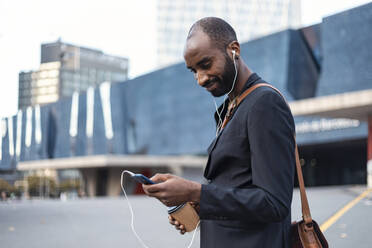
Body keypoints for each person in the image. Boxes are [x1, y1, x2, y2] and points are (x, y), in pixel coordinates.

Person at [143, 17, 296, 248]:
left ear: (233, 50)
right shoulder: (231, 107)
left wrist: (196, 192)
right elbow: (236, 186)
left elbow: (274, 202)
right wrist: (196, 205)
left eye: (205, 64)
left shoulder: (264, 103)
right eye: (193, 71)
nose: (200, 79)